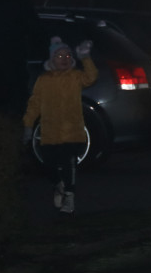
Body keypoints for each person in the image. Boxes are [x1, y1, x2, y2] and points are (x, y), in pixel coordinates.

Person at [22, 36, 98, 214]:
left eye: (67, 56)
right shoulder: (44, 80)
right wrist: (28, 125)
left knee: (68, 162)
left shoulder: (75, 76)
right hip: (50, 131)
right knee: (49, 164)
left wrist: (85, 57)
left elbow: (91, 77)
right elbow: (35, 103)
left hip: (72, 130)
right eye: (59, 56)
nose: (64, 59)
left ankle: (69, 196)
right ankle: (59, 185)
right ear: (51, 59)